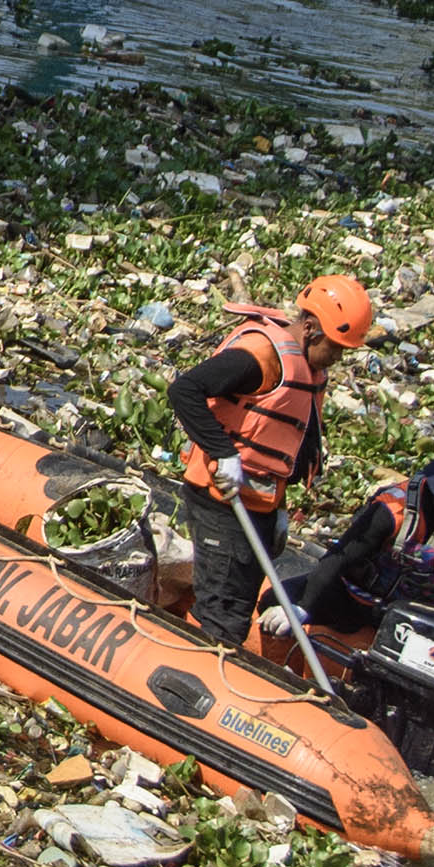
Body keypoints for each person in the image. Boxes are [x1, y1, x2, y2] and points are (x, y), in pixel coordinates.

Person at [164, 273, 376, 637]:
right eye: (336, 347)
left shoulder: (310, 371)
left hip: (260, 502)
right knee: (224, 614)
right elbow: (185, 390)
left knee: (241, 603)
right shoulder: (259, 357)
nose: (338, 358)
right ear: (310, 328)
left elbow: (290, 450)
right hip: (220, 498)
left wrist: (279, 509)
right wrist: (223, 452)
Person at [274, 450, 434, 643]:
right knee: (277, 599)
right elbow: (340, 557)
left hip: (408, 616)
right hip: (352, 596)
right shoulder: (393, 508)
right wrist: (303, 606)